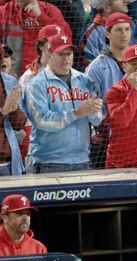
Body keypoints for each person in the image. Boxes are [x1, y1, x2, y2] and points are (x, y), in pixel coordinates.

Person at [85, 12, 137, 168]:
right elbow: (93, 107)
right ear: (107, 33)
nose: (124, 34)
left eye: (127, 29)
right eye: (118, 30)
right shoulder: (96, 67)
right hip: (107, 140)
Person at [22, 33, 103, 173]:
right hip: (49, 162)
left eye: (69, 53)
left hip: (82, 159)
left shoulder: (85, 81)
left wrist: (95, 111)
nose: (66, 58)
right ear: (50, 54)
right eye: (61, 54)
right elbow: (41, 121)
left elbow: (97, 121)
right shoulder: (36, 85)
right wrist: (76, 113)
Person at [18, 24, 65, 169]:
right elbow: (24, 120)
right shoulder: (29, 77)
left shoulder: (72, 75)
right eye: (53, 40)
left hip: (67, 149)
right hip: (40, 151)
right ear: (42, 46)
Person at [0, 0, 72, 77]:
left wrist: (40, 16)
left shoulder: (50, 10)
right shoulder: (4, 11)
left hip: (45, 79)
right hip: (12, 79)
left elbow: (66, 38)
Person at [80, 0, 137, 67]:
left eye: (127, 30)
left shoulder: (134, 25)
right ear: (107, 6)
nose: (126, 1)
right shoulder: (93, 34)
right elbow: (89, 66)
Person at [0, 46, 26, 176]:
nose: (3, 60)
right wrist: (4, 111)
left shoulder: (11, 82)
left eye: (5, 56)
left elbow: (19, 124)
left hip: (10, 162)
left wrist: (13, 108)